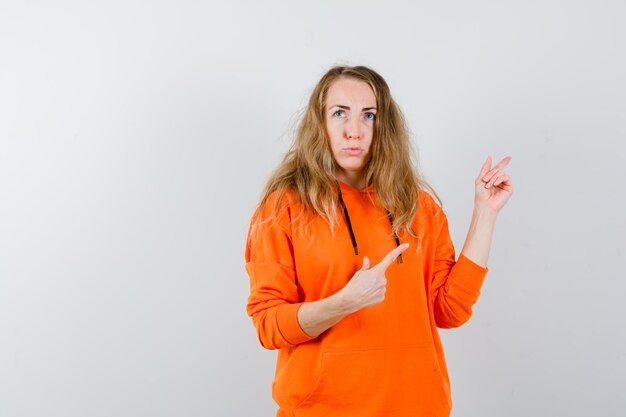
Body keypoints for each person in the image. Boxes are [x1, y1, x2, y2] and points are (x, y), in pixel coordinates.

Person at [244, 65, 513, 417]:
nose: (354, 131)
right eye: (339, 113)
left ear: (383, 125)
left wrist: (485, 214)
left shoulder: (419, 207)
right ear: (319, 123)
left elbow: (449, 311)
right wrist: (343, 302)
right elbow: (269, 325)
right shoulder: (284, 207)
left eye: (368, 115)